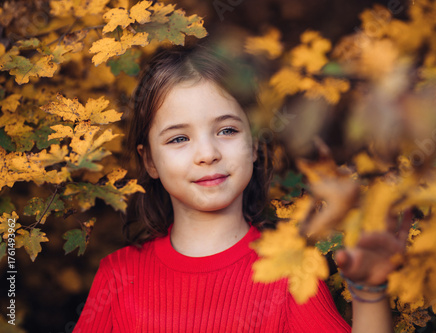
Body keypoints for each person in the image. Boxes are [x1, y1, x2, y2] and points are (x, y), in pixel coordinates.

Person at [73, 40, 412, 333]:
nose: (207, 154)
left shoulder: (289, 269)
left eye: (227, 131)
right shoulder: (118, 276)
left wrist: (370, 292)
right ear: (149, 161)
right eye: (179, 138)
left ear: (254, 144)